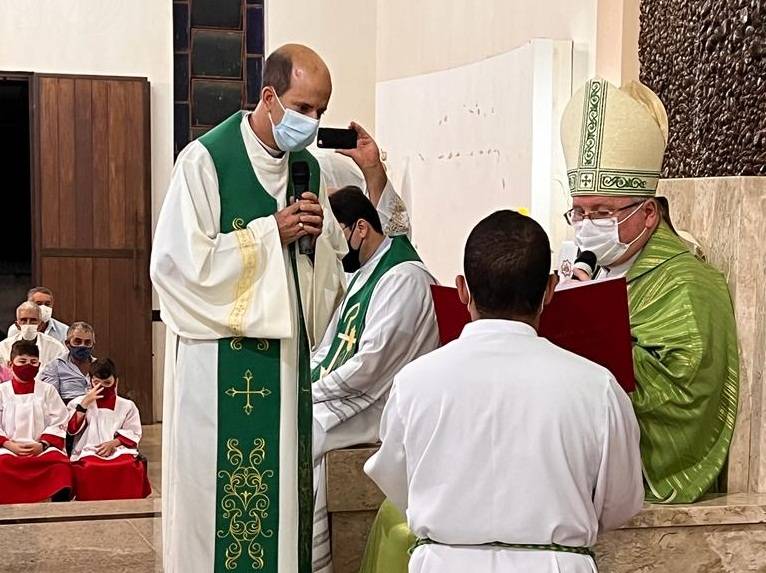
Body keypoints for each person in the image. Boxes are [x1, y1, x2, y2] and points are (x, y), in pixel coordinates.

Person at [151, 44, 349, 572]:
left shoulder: (308, 169)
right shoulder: (205, 160)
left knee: (279, 508)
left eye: (321, 111)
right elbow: (174, 267)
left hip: (283, 366)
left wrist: (315, 244)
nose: (312, 122)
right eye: (303, 108)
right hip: (215, 370)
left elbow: (325, 279)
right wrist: (269, 235)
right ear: (269, 97)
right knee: (215, 506)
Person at [363, 210, 643, 572]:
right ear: (550, 289)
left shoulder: (414, 383)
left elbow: (397, 483)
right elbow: (620, 503)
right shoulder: (597, 387)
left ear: (462, 290)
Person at [560, 77, 739, 503]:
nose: (588, 226)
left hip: (647, 468)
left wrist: (587, 337)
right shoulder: (592, 268)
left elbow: (686, 393)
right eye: (580, 212)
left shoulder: (688, 283)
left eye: (603, 212)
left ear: (648, 214)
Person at [311, 188, 438, 572]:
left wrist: (311, 392)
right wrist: (302, 383)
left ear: (361, 228)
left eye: (339, 236)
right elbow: (329, 345)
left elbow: (371, 363)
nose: (336, 251)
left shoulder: (405, 278)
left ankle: (315, 560)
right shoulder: (366, 272)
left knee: (306, 431)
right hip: (360, 392)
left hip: (381, 401)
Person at [66, 357, 151, 501]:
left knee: (129, 466)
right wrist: (83, 405)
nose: (102, 387)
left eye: (107, 383)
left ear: (116, 382)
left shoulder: (127, 405)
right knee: (89, 467)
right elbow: (71, 429)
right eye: (96, 383)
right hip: (89, 447)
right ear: (90, 380)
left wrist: (114, 443)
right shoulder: (78, 402)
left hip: (118, 447)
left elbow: (134, 431)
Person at [0, 340, 72, 503]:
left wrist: (43, 444)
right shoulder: (2, 392)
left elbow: (60, 419)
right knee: (2, 465)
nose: (28, 366)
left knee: (60, 466)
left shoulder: (47, 390)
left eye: (33, 362)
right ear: (11, 364)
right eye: (22, 361)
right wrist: (8, 444)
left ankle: (59, 510)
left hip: (41, 448)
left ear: (39, 365)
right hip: (8, 448)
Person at [41, 322, 96, 405]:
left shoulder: (100, 366)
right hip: (67, 410)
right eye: (77, 341)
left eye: (87, 342)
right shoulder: (54, 366)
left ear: (93, 345)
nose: (82, 345)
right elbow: (50, 400)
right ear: (67, 344)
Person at [0, 302, 66, 371]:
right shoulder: (3, 347)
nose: (28, 324)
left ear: (41, 325)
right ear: (17, 325)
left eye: (33, 320)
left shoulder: (56, 347)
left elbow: (62, 372)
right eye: (24, 320)